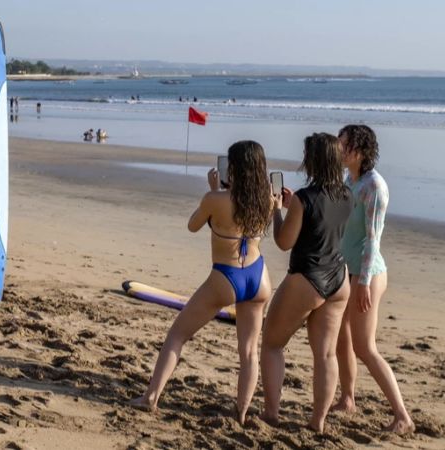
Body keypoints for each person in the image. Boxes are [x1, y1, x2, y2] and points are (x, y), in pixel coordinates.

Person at [130, 141, 274, 425]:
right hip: (258, 276)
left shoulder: (216, 199)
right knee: (248, 351)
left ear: (234, 168)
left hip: (226, 275)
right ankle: (242, 412)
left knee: (177, 335)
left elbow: (193, 225)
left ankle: (150, 398)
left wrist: (211, 191)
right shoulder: (267, 199)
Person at [261, 132, 353, 432]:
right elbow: (323, 226)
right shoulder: (346, 195)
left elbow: (284, 242)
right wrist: (293, 209)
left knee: (272, 344)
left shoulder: (304, 198)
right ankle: (318, 421)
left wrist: (277, 212)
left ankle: (271, 414)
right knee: (326, 354)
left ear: (312, 160)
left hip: (307, 277)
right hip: (338, 279)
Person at [333, 125, 414, 434]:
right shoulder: (350, 180)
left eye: (344, 147)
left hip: (368, 273)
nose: (339, 151)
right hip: (348, 270)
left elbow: (372, 240)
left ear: (361, 151)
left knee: (365, 347)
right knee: (342, 339)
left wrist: (363, 281)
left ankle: (402, 416)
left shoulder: (374, 187)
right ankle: (348, 399)